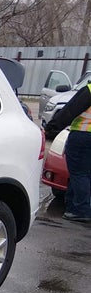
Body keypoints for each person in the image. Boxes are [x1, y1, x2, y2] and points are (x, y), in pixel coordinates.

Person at [45, 81, 91, 222]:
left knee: (79, 173)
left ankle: (80, 210)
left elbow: (70, 111)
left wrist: (51, 128)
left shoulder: (89, 90)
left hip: (82, 135)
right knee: (84, 173)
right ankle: (72, 205)